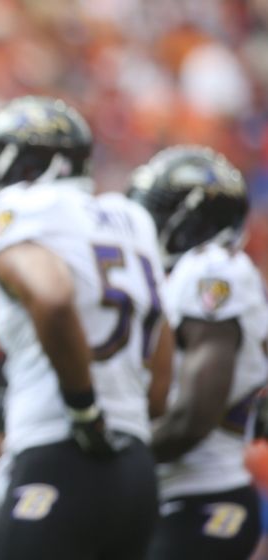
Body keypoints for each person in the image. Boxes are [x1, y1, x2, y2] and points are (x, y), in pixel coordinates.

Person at [0, 95, 172, 559]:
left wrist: (83, 407)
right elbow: (160, 383)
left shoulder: (22, 207)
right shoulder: (133, 219)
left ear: (29, 162)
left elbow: (54, 296)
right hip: (135, 473)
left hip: (60, 458)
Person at [128, 145, 267, 560]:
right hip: (174, 499)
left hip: (201, 497)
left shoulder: (211, 270)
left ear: (190, 219)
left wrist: (114, 461)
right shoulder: (187, 278)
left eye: (154, 211)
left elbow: (194, 416)